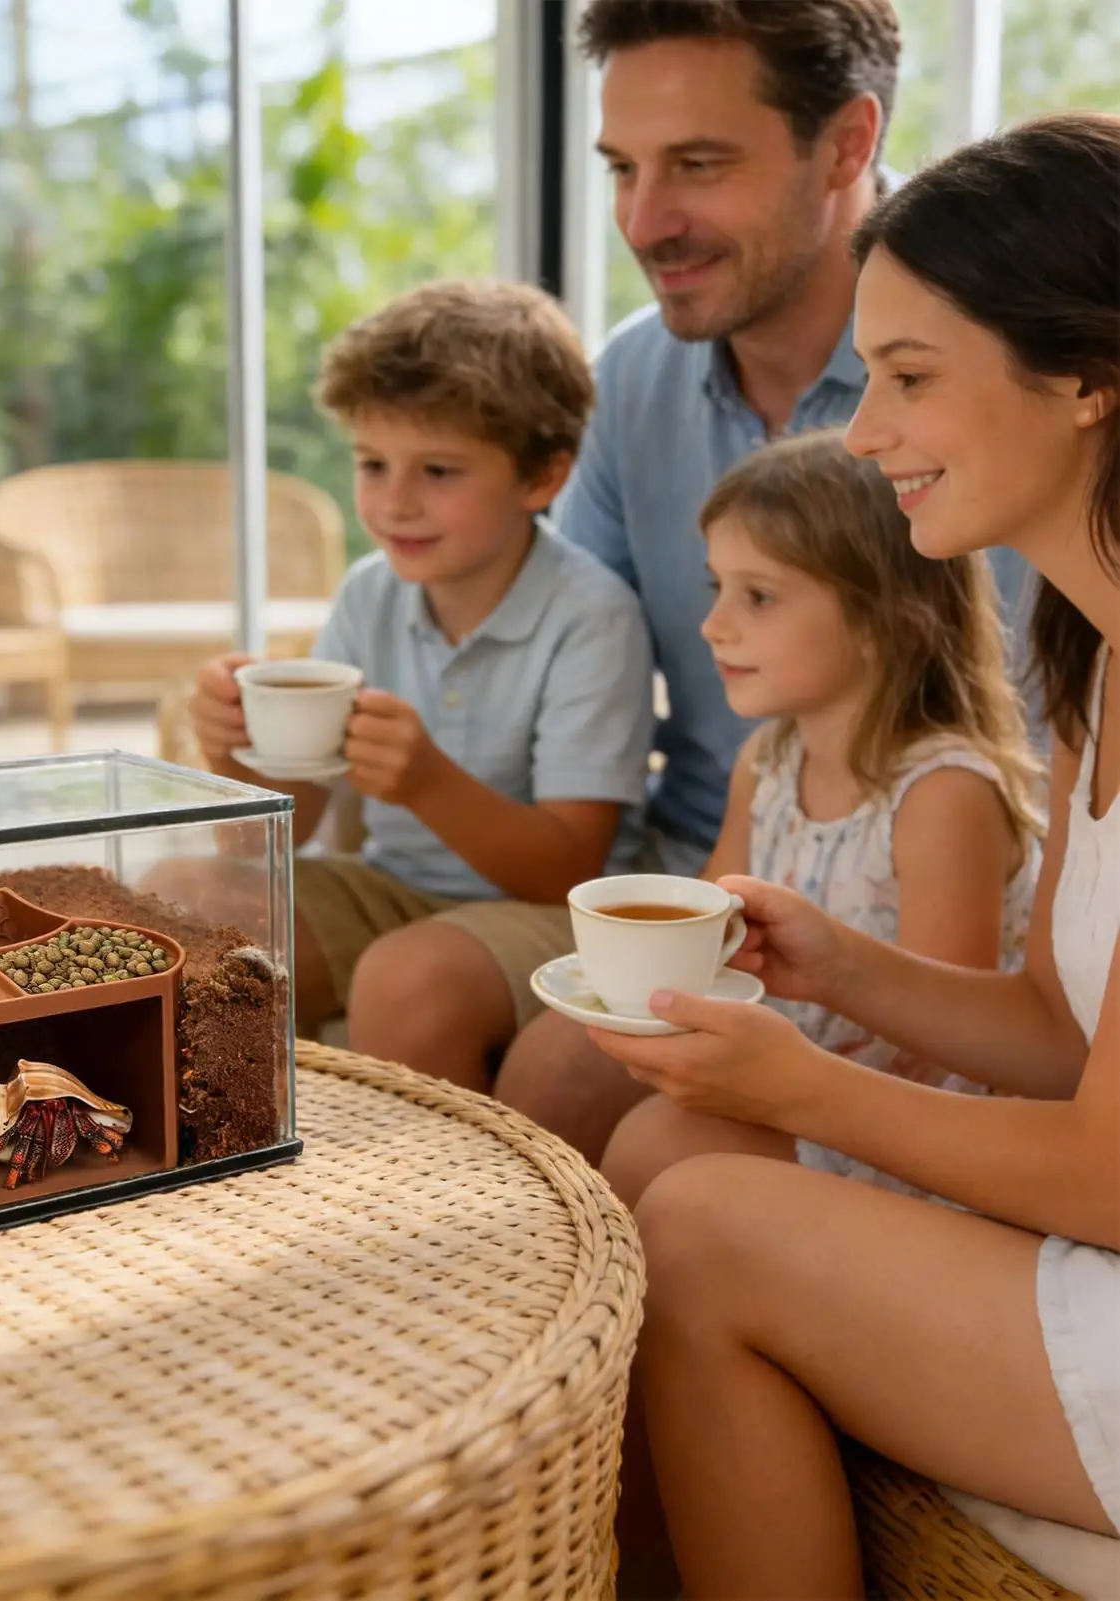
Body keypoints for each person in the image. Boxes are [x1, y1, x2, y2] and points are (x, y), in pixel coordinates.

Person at [590, 114, 1120, 1598]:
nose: (866, 430)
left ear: (1088, 377)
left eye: (909, 377)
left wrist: (804, 1082)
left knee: (699, 1225)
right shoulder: (1088, 660)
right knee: (678, 1174)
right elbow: (1053, 1032)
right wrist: (841, 968)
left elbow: (1110, 1169)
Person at [493, 0, 928, 1156]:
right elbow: (551, 643)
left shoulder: (978, 376)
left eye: (697, 165)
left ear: (845, 143)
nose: (644, 221)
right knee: (546, 1073)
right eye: (621, 168)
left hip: (918, 898)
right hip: (702, 877)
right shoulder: (632, 383)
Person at [186, 279, 654, 1088]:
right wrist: (231, 752)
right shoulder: (372, 591)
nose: (394, 502)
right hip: (390, 887)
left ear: (542, 477)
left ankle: (418, 1209)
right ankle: (228, 1172)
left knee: (410, 978)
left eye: (437, 469)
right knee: (182, 902)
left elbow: (566, 870)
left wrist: (427, 781)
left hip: (550, 914)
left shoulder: (592, 615)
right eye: (372, 463)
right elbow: (283, 835)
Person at [599, 428, 1044, 1210]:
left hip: (898, 1129)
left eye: (758, 596)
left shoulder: (941, 795)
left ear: (886, 622)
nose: (713, 625)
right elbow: (707, 935)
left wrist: (764, 1083)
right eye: (716, 588)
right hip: (786, 1077)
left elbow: (938, 1048)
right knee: (570, 1068)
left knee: (654, 1143)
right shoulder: (766, 765)